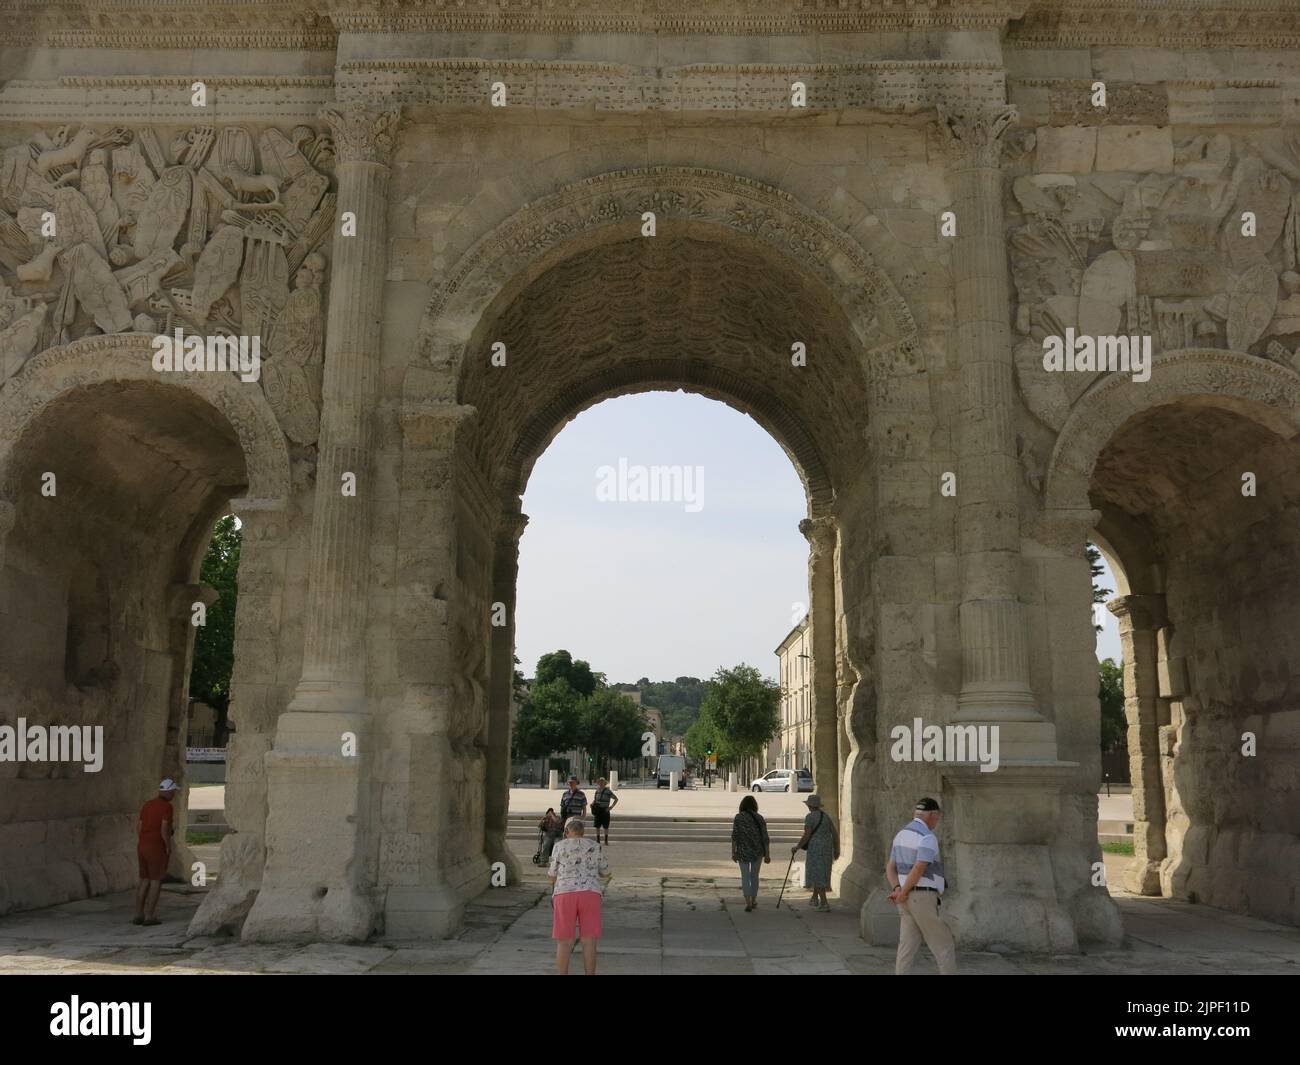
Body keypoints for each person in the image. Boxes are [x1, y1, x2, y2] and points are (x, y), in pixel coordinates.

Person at [887, 796, 957, 975]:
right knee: (943, 944)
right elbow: (919, 868)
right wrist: (904, 891)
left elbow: (890, 867)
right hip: (922, 897)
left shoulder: (901, 834)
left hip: (904, 898)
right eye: (937, 817)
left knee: (907, 947)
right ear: (932, 815)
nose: (937, 822)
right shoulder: (927, 837)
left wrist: (898, 890)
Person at [547, 817, 611, 975]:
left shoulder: (559, 846)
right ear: (582, 832)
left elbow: (552, 873)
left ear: (567, 832)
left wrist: (553, 890)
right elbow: (606, 872)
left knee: (564, 941)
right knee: (589, 941)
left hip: (564, 894)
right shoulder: (595, 846)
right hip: (590, 893)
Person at [133, 778, 179, 926]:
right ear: (169, 791)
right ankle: (150, 915)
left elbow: (139, 827)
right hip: (156, 846)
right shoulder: (167, 807)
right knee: (156, 881)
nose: (174, 794)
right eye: (173, 791)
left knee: (144, 880)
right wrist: (168, 845)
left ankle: (138, 914)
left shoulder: (147, 805)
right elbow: (164, 827)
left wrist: (143, 840)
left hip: (143, 844)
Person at [792, 793, 839, 911]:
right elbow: (834, 833)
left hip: (815, 849)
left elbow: (807, 834)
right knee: (821, 872)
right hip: (827, 848)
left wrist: (798, 846)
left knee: (817, 875)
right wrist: (837, 848)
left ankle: (824, 902)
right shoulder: (826, 816)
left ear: (809, 806)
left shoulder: (810, 817)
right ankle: (814, 897)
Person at [731, 794, 771, 912]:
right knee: (754, 876)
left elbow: (735, 836)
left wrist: (733, 852)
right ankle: (753, 900)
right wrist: (767, 854)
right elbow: (765, 837)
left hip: (743, 850)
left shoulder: (738, 817)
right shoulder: (759, 818)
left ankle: (747, 902)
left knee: (745, 876)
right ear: (755, 805)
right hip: (757, 851)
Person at [590, 777, 619, 845]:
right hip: (597, 810)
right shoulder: (597, 791)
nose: (601, 783)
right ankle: (598, 840)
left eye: (602, 782)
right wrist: (592, 804)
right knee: (597, 826)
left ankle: (606, 841)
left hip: (605, 810)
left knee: (606, 826)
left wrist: (611, 807)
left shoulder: (608, 791)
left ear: (604, 783)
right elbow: (595, 800)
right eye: (600, 782)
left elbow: (616, 799)